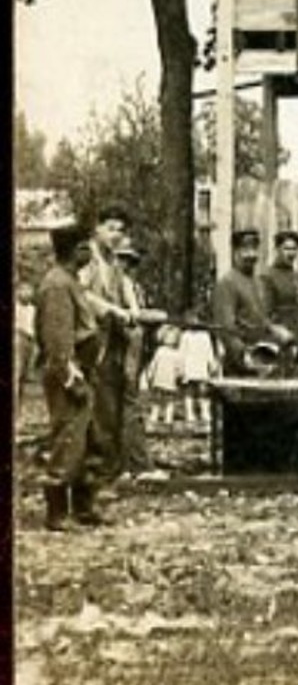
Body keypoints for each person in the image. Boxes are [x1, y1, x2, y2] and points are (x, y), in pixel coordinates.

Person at [35, 224, 102, 531]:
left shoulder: (70, 281)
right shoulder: (57, 285)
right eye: (86, 247)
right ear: (75, 251)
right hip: (69, 372)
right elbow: (58, 340)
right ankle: (57, 513)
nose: (90, 253)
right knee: (67, 438)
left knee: (87, 439)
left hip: (84, 370)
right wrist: (70, 378)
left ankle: (84, 507)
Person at [79, 204, 141, 487]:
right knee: (96, 409)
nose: (116, 235)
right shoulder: (86, 259)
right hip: (89, 343)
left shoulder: (115, 264)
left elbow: (124, 298)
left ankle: (109, 471)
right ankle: (96, 475)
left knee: (113, 407)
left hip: (113, 345)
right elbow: (81, 296)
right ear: (98, 229)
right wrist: (113, 311)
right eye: (111, 228)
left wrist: (131, 313)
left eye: (121, 230)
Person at [213, 228, 291, 375]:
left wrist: (275, 329)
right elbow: (226, 329)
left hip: (265, 357)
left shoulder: (258, 282)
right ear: (235, 252)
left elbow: (260, 318)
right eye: (245, 250)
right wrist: (244, 357)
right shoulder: (227, 283)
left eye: (254, 249)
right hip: (242, 364)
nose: (251, 255)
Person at [116, 240, 156, 474]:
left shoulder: (133, 285)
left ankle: (134, 460)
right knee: (128, 404)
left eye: (128, 261)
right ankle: (134, 462)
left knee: (132, 402)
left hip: (136, 343)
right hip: (125, 344)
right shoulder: (113, 284)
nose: (124, 264)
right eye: (121, 259)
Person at [261, 229, 298, 371]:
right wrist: (278, 333)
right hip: (280, 341)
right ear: (277, 249)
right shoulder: (268, 277)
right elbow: (265, 314)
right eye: (286, 248)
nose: (291, 253)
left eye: (294, 249)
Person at [177, 314, 220, 428]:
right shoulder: (185, 336)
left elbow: (209, 352)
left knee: (203, 392)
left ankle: (204, 412)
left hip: (201, 368)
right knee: (189, 392)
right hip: (189, 368)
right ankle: (190, 414)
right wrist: (180, 368)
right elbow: (181, 353)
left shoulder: (205, 336)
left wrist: (211, 365)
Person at [144, 322, 182, 430]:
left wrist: (150, 375)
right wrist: (180, 376)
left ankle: (156, 417)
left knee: (159, 400)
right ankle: (166, 418)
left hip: (161, 380)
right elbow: (179, 368)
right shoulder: (173, 353)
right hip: (167, 381)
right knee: (166, 400)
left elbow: (153, 365)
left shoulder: (161, 352)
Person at [15, 279, 37, 409]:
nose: (28, 293)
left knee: (23, 377)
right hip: (18, 338)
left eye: (30, 290)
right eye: (24, 289)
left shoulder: (33, 309)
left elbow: (34, 328)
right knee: (16, 375)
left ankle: (18, 408)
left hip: (30, 341)